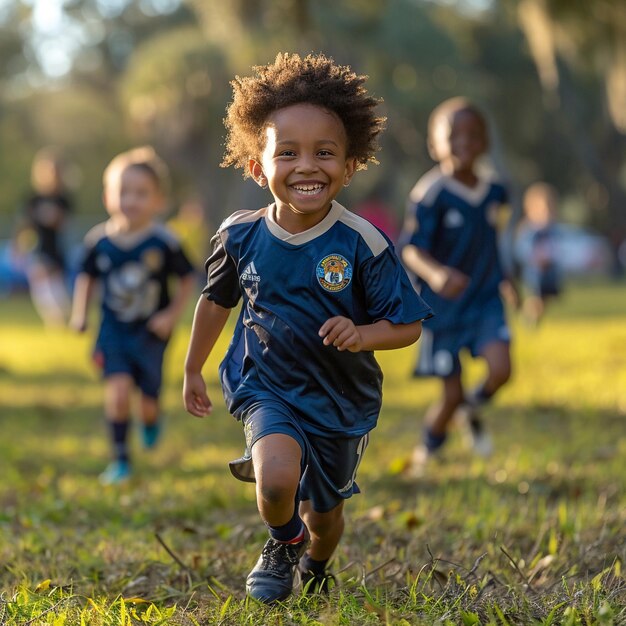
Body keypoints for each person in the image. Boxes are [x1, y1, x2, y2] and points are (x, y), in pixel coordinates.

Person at [182, 52, 432, 603]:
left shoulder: (363, 241)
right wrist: (193, 366)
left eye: (325, 153)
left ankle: (315, 560)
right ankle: (282, 540)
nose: (307, 166)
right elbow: (215, 302)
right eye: (287, 152)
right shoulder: (239, 235)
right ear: (257, 166)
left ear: (349, 166)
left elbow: (407, 325)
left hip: (340, 397)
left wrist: (363, 335)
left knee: (326, 515)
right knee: (274, 482)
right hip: (265, 383)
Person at [400, 97, 515, 473]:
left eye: (474, 134)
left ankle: (472, 408)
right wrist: (436, 274)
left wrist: (508, 278)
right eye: (454, 135)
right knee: (449, 395)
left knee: (501, 369)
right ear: (435, 144)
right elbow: (411, 249)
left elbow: (497, 241)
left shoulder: (494, 191)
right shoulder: (430, 194)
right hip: (443, 309)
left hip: (484, 300)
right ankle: (427, 450)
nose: (464, 142)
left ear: (484, 142)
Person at [70, 146, 196, 485]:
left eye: (141, 193)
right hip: (113, 330)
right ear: (107, 196)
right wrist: (80, 313)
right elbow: (86, 277)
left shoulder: (164, 241)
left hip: (151, 334)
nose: (131, 200)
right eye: (122, 191)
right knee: (118, 391)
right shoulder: (98, 241)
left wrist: (170, 315)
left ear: (158, 201)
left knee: (148, 401)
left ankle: (152, 421)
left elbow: (188, 279)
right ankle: (121, 460)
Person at [14, 147, 73, 326]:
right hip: (38, 249)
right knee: (42, 285)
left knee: (57, 287)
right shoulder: (33, 199)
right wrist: (19, 248)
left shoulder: (63, 199)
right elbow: (24, 226)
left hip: (56, 248)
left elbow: (62, 223)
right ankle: (54, 319)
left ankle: (62, 316)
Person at [514, 182, 563, 326]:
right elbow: (521, 250)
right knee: (535, 299)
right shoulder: (529, 230)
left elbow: (559, 247)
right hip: (535, 275)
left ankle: (535, 319)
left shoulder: (554, 229)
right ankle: (528, 317)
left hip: (550, 274)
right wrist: (535, 257)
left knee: (546, 299)